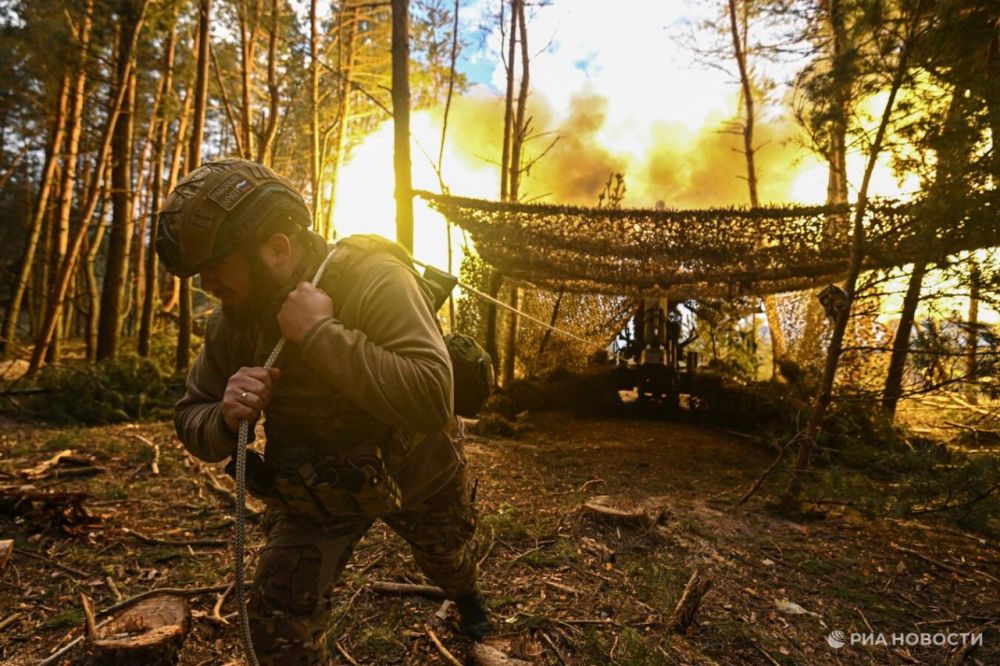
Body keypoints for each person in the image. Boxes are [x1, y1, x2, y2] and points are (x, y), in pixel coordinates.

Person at [155, 158, 492, 664]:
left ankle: (466, 596)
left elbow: (430, 398)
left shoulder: (375, 277)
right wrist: (223, 416)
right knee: (275, 627)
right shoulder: (233, 321)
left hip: (419, 475)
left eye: (218, 265)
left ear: (276, 248)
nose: (207, 284)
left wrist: (319, 334)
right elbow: (190, 415)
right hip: (318, 492)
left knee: (447, 559)